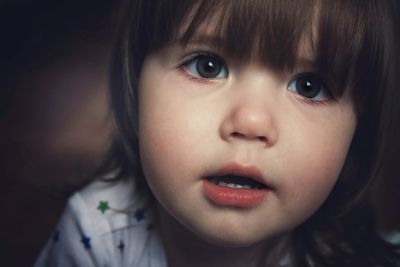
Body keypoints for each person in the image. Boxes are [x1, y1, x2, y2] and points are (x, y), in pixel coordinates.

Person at [34, 0, 400, 266]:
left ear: (357, 131)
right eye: (208, 66)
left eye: (308, 86)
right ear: (136, 83)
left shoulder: (352, 257)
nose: (251, 123)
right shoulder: (97, 233)